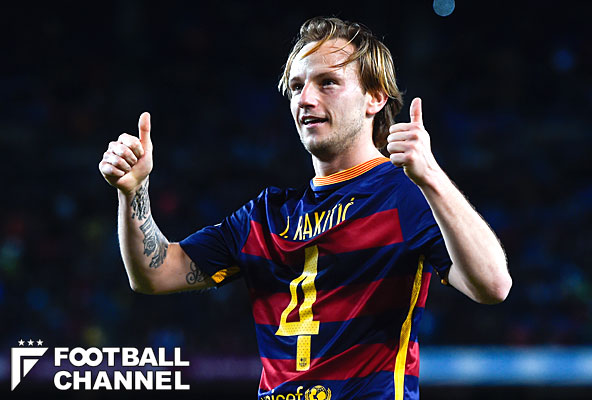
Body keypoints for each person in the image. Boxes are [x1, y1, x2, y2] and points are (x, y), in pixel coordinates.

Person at [99, 16, 511, 400]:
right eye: (297, 87)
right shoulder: (265, 215)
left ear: (374, 98)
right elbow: (155, 273)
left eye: (328, 82)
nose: (306, 99)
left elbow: (493, 286)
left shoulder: (406, 196)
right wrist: (134, 191)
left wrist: (433, 177)